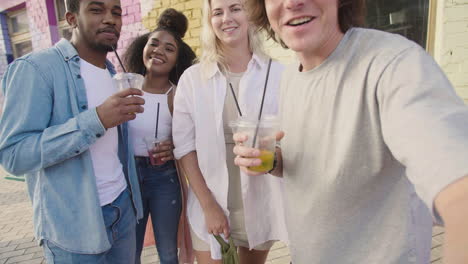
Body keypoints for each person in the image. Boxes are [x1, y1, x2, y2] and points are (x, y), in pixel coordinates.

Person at [233, 0, 468, 263]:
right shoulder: (290, 78)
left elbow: (459, 188)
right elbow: (310, 165)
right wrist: (270, 160)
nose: (292, 2)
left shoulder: (392, 64)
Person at [0, 0, 145, 263]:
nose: (110, 19)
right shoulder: (36, 69)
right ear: (72, 18)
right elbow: (14, 155)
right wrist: (96, 120)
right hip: (74, 225)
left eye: (116, 12)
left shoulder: (113, 74)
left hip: (122, 207)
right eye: (96, 10)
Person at [172, 0, 288, 263]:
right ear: (209, 21)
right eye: (217, 12)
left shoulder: (279, 74)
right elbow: (184, 149)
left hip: (261, 204)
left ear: (250, 15)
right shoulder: (192, 79)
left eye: (236, 8)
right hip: (210, 203)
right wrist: (208, 206)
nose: (227, 18)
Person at [123, 8, 196, 264]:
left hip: (164, 178)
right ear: (143, 47)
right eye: (153, 43)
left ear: (177, 60)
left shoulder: (177, 95)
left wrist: (173, 146)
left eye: (169, 48)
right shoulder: (126, 87)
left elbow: (191, 138)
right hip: (129, 178)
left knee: (167, 252)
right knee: (130, 250)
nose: (158, 50)